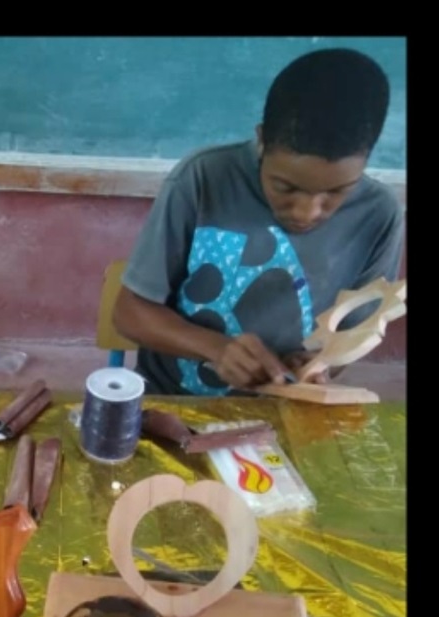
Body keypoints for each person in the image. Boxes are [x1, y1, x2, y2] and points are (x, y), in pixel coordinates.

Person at [113, 47, 405, 396]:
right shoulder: (204, 179)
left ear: (366, 160)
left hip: (284, 409)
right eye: (285, 187)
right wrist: (216, 347)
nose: (306, 212)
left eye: (337, 192)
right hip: (171, 399)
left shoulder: (378, 214)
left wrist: (316, 365)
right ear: (262, 140)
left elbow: (351, 337)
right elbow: (129, 313)